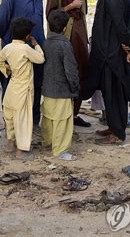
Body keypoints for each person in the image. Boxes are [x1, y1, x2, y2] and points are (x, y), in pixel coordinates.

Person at [83, 0, 130, 145]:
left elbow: (120, 24)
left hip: (111, 52)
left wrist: (128, 45)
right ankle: (115, 127)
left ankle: (118, 134)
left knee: (114, 91)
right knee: (112, 91)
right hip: (110, 49)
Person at [0, 0, 46, 129]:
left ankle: (33, 123)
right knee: (12, 87)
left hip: (36, 50)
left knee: (36, 86)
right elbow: (0, 23)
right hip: (16, 54)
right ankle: (13, 126)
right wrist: (11, 44)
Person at [46, 0, 90, 128]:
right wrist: (70, 6)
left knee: (80, 74)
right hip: (63, 39)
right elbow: (50, 15)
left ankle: (74, 114)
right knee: (63, 75)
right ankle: (61, 117)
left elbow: (84, 12)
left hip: (80, 36)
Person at [0, 18, 44, 160]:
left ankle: (10, 143)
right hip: (24, 89)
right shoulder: (26, 49)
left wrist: (7, 70)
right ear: (27, 36)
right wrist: (37, 46)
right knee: (23, 119)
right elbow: (40, 59)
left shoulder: (8, 47)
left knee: (9, 116)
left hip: (12, 86)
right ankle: (21, 150)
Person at [41, 10, 79, 161]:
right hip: (62, 89)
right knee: (62, 120)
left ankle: (47, 142)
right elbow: (70, 70)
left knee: (48, 117)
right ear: (64, 28)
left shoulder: (45, 42)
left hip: (48, 87)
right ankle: (60, 150)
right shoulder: (65, 44)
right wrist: (74, 86)